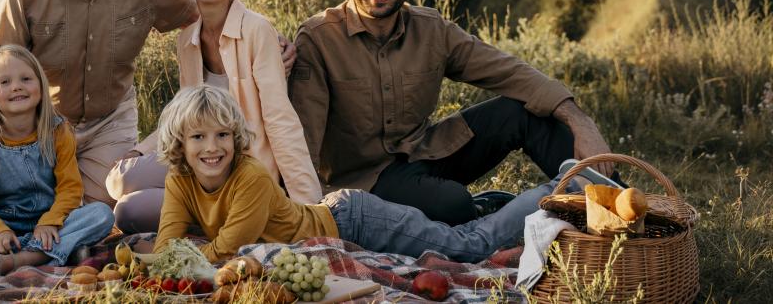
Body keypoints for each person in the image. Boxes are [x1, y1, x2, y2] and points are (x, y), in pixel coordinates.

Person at [0, 0, 295, 206]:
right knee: (33, 205)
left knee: (101, 206)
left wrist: (264, 37)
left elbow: (201, 11)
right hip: (44, 122)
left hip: (110, 122)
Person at [289, 0, 612, 225]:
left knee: (525, 113)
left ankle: (618, 211)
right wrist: (318, 219)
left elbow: (510, 72)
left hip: (425, 152)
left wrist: (580, 121)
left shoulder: (432, 29)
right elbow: (303, 139)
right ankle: (486, 214)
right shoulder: (319, 38)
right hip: (367, 179)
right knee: (452, 204)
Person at [154, 85, 558, 263]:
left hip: (353, 222)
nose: (213, 148)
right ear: (180, 142)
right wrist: (171, 256)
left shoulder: (250, 176)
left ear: (235, 136)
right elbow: (164, 248)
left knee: (469, 247)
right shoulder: (179, 181)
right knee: (463, 236)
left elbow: (225, 250)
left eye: (223, 135)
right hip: (338, 218)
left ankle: (563, 185)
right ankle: (497, 205)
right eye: (199, 137)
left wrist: (182, 256)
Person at [108, 0, 320, 232]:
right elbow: (184, 116)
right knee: (124, 198)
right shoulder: (187, 38)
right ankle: (212, 219)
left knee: (131, 202)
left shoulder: (257, 31)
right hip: (199, 162)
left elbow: (280, 120)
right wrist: (140, 150)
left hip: (241, 172)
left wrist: (309, 214)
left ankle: (237, 216)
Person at [0, 45, 115, 274]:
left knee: (102, 214)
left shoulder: (57, 131)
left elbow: (70, 188)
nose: (17, 87)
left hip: (54, 221)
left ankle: (21, 259)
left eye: (26, 79)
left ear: (41, 87)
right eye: (4, 82)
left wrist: (49, 222)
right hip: (7, 227)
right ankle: (57, 252)